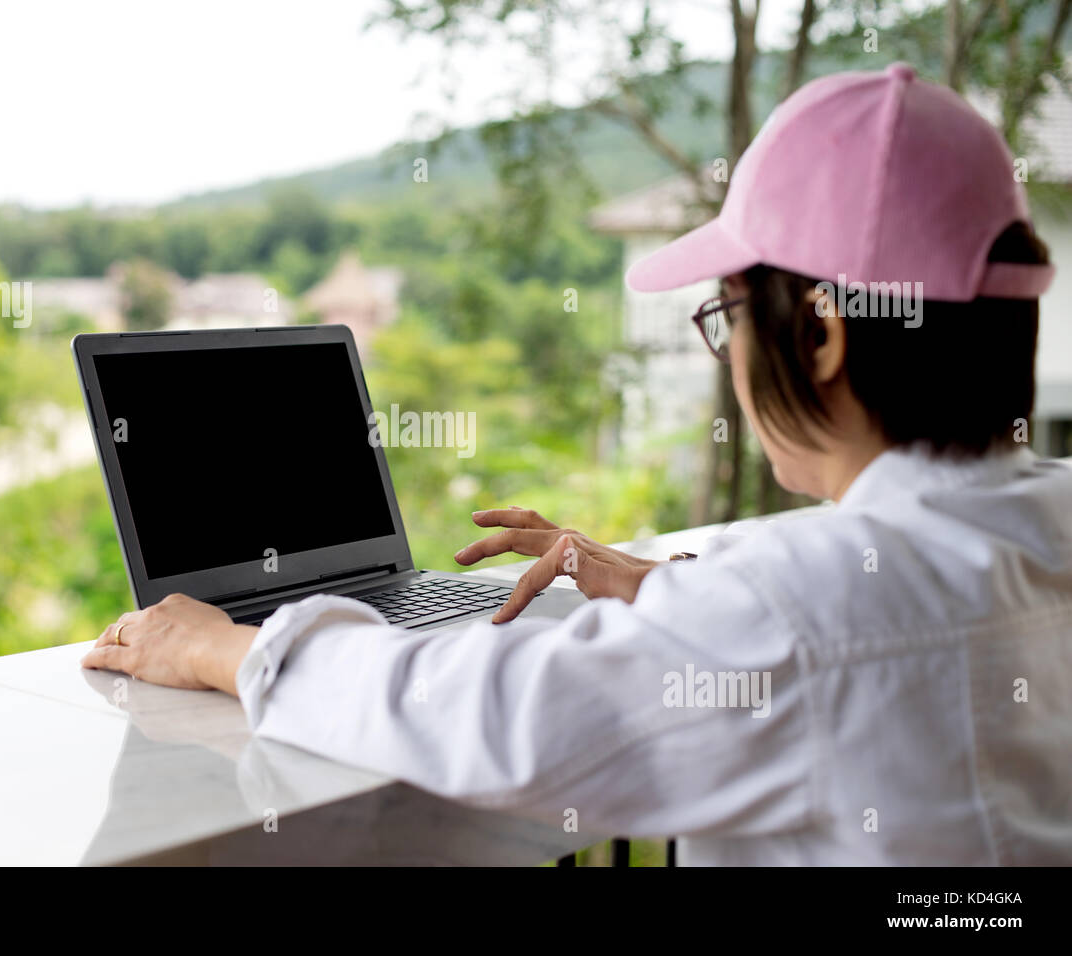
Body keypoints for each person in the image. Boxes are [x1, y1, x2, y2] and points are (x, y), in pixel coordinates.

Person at [81, 63, 1072, 864]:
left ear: (818, 336)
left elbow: (488, 716)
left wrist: (228, 648)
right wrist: (665, 592)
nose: (727, 354)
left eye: (726, 315)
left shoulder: (803, 611)